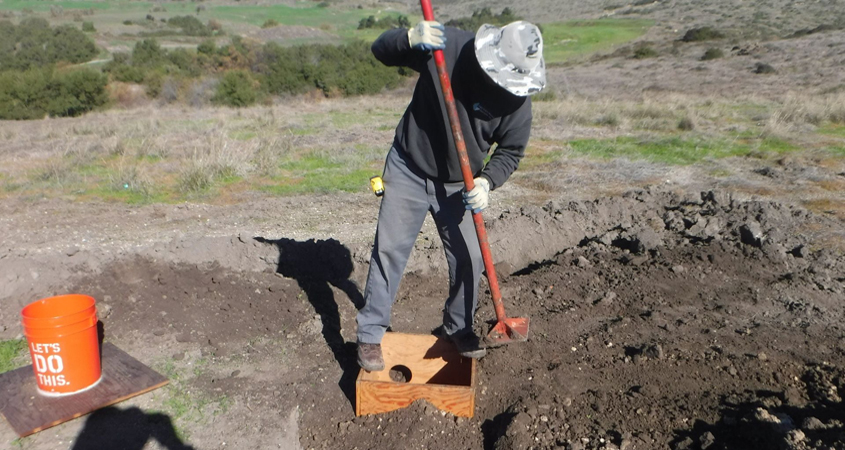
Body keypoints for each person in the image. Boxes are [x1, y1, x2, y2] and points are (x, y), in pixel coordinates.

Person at [356, 19, 546, 371]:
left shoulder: (518, 102)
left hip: (461, 185)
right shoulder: (448, 48)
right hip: (409, 165)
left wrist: (487, 182)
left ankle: (457, 327)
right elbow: (380, 50)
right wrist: (408, 38)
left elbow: (511, 152)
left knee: (470, 259)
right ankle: (370, 333)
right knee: (389, 249)